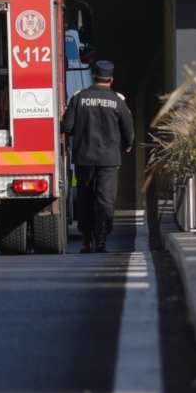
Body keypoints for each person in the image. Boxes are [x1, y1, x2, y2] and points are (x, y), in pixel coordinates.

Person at [62, 58, 133, 253]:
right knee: (105, 199)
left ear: (94, 77)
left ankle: (87, 240)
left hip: (84, 158)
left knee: (85, 198)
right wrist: (127, 145)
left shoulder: (78, 97)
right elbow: (128, 129)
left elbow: (66, 126)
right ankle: (101, 240)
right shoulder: (118, 100)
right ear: (111, 79)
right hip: (109, 160)